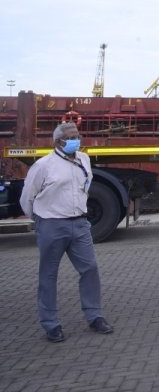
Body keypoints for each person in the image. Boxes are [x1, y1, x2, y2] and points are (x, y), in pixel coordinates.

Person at [19, 122, 114, 342]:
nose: (75, 140)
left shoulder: (84, 160)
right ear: (58, 141)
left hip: (80, 224)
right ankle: (51, 324)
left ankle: (94, 316)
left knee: (89, 269)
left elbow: (85, 186)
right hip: (52, 224)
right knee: (48, 275)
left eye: (77, 135)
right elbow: (28, 197)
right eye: (70, 137)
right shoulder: (44, 165)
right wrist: (41, 219)